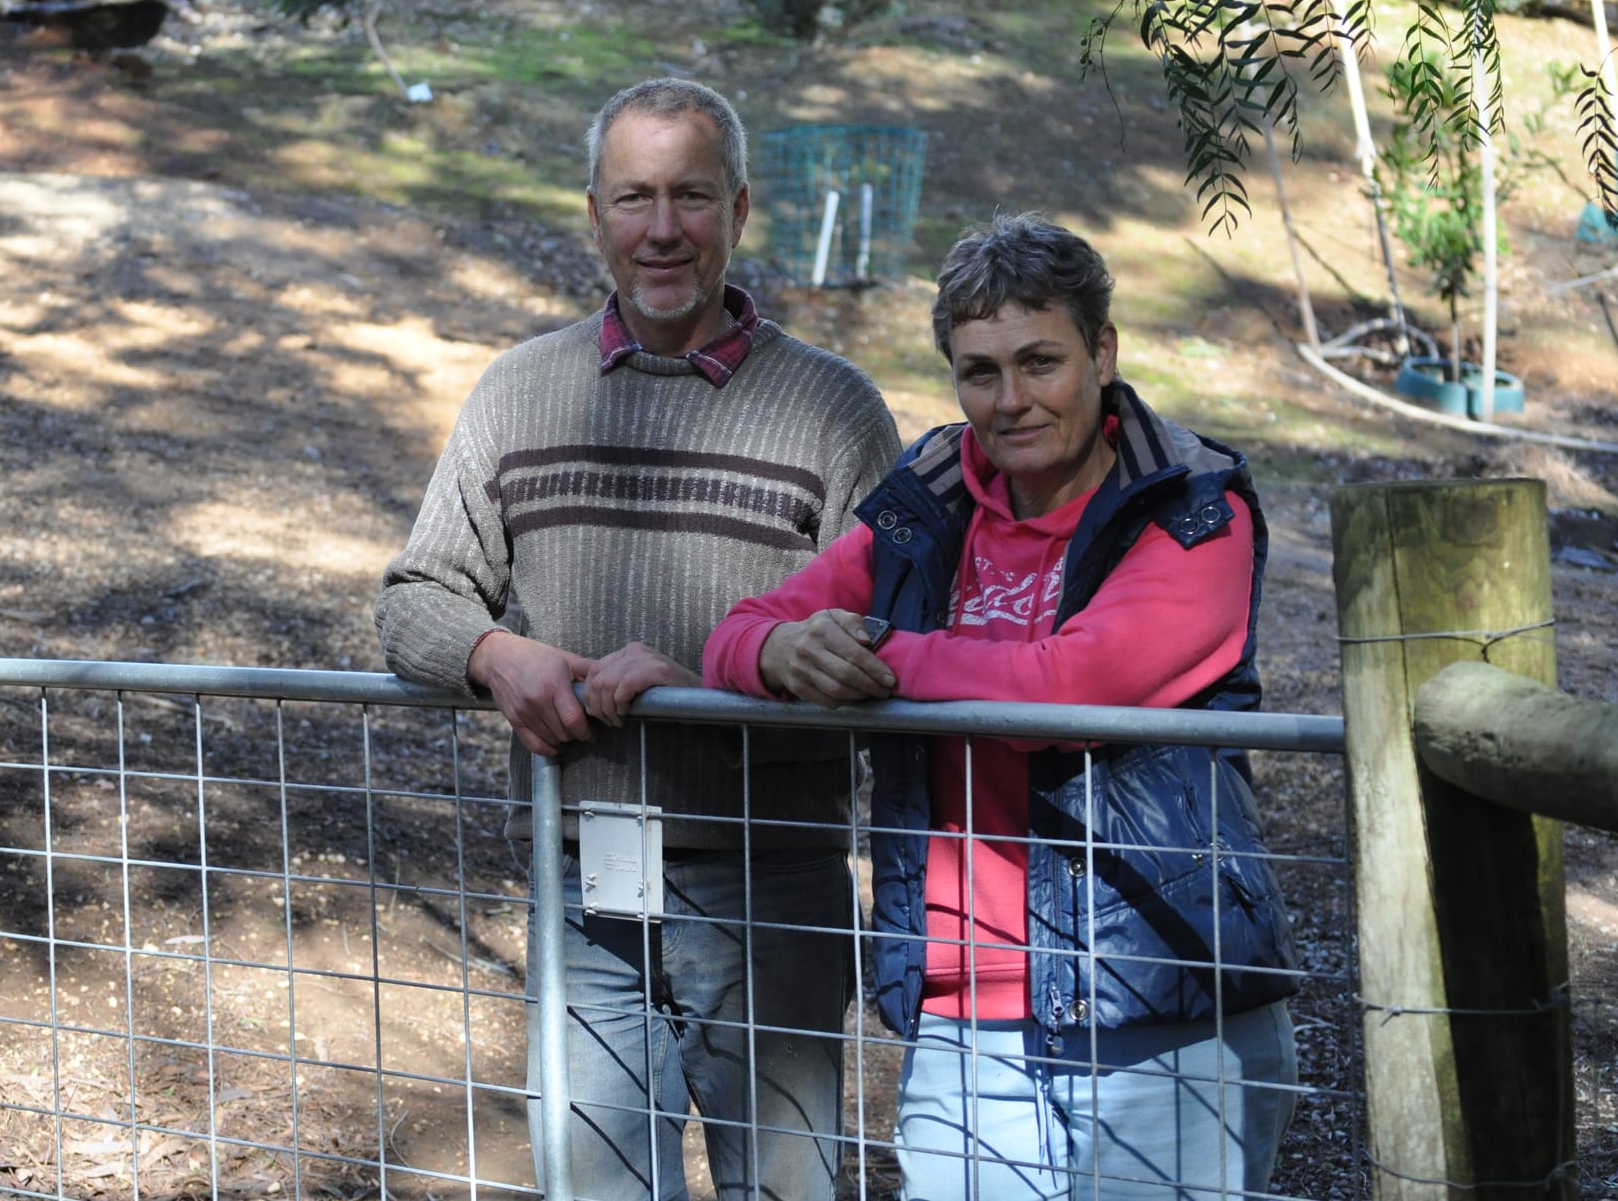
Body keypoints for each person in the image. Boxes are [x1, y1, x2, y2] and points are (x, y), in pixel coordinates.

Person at [376, 77, 901, 1201]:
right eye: (634, 198)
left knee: (790, 1187)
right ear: (593, 216)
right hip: (579, 882)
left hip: (774, 887)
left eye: (690, 196)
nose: (661, 228)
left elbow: (900, 637)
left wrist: (736, 673)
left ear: (740, 210)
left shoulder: (833, 410)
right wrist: (494, 655)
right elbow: (415, 593)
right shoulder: (519, 394)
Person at [703, 213, 1300, 1199]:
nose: (1011, 399)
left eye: (1039, 361)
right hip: (962, 1014)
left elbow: (1066, 691)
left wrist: (875, 651)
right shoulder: (927, 504)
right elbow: (736, 630)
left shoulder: (1191, 505)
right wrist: (778, 648)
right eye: (979, 371)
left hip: (1158, 1010)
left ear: (1101, 352)